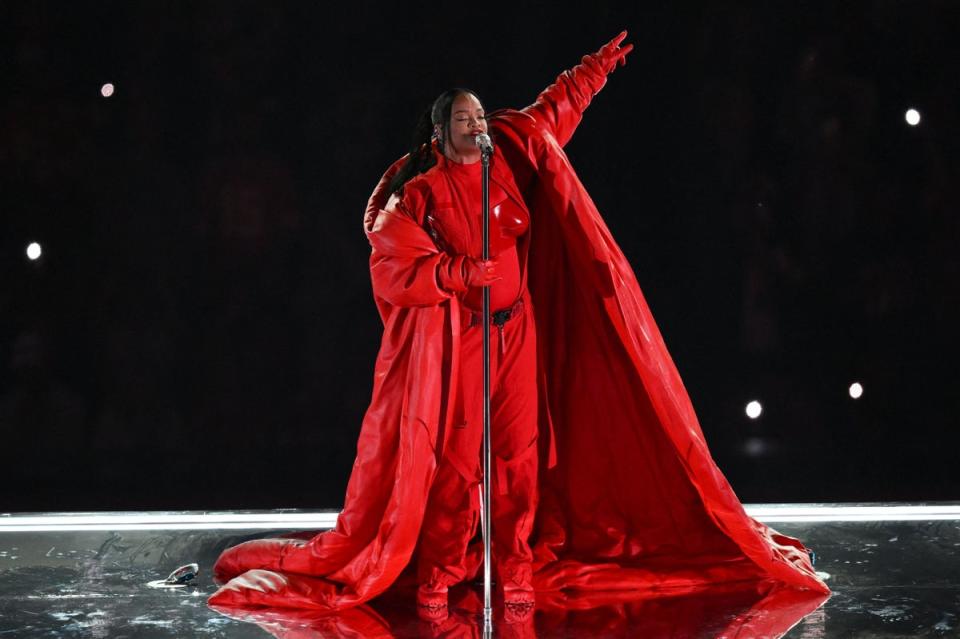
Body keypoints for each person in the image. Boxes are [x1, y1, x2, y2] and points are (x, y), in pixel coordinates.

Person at [209, 32, 829, 617]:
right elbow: (393, 265)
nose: (477, 127)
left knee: (518, 457)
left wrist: (591, 73)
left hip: (517, 334)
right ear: (439, 130)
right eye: (464, 120)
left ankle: (515, 570)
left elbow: (553, 112)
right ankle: (440, 574)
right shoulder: (420, 192)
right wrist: (453, 273)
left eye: (479, 117)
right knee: (458, 462)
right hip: (464, 344)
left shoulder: (508, 153)